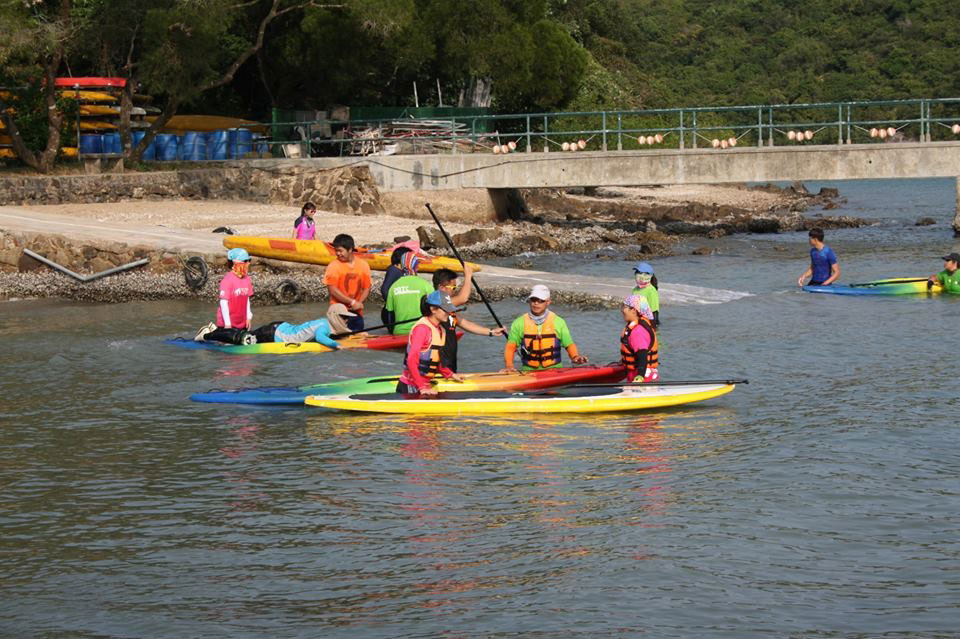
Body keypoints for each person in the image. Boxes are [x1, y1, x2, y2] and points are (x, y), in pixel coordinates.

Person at [433, 266, 506, 371]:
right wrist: (468, 276)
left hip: (450, 362)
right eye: (453, 287)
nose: (454, 291)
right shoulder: (437, 304)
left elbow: (465, 324)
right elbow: (463, 298)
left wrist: (491, 331)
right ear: (441, 288)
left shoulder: (447, 310)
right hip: (439, 363)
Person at [502, 284, 588, 372]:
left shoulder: (558, 322)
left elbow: (569, 344)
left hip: (555, 371)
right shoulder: (519, 323)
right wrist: (509, 366)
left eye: (541, 300)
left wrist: (575, 357)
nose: (536, 303)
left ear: (548, 302)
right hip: (528, 372)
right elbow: (510, 347)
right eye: (533, 300)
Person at [397, 291, 465, 396]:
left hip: (425, 385)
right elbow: (411, 360)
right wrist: (422, 387)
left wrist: (450, 374)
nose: (449, 313)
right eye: (445, 310)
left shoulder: (441, 330)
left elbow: (436, 360)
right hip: (411, 386)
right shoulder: (422, 329)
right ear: (433, 309)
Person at [194, 248, 255, 344]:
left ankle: (213, 329)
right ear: (235, 263)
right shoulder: (227, 280)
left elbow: (247, 299)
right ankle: (205, 335)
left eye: (249, 261)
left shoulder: (247, 279)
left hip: (241, 322)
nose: (248, 263)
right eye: (245, 261)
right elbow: (223, 303)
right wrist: (227, 325)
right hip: (227, 323)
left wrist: (248, 317)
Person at [246, 304, 358, 347]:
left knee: (247, 336)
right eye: (344, 317)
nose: (346, 320)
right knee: (244, 339)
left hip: (280, 327)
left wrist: (359, 333)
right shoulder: (324, 326)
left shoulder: (326, 323)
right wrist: (336, 345)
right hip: (274, 334)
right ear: (335, 316)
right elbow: (320, 337)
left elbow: (341, 331)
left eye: (347, 317)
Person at [323, 233, 371, 332]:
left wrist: (359, 303)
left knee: (357, 342)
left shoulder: (363, 265)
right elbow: (333, 290)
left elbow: (367, 287)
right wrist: (352, 302)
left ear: (350, 250)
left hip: (356, 312)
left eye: (340, 251)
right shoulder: (333, 266)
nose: (338, 254)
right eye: (336, 251)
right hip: (339, 313)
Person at [384, 252, 434, 335]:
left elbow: (390, 316)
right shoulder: (426, 285)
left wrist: (391, 333)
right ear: (415, 267)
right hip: (420, 333)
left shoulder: (393, 287)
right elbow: (436, 311)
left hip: (399, 332)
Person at [620, 295, 660, 383]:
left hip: (643, 377)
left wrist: (640, 376)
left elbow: (642, 355)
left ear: (634, 310)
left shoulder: (638, 331)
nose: (622, 310)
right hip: (637, 373)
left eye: (624, 307)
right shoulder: (633, 326)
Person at [379, 245, 412, 328]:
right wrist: (395, 306)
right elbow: (384, 290)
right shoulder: (393, 270)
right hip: (392, 314)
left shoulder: (402, 271)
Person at [631, 261, 660, 327]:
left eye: (641, 273)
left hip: (648, 323)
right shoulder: (635, 289)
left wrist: (652, 328)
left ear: (649, 275)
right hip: (637, 322)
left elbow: (654, 312)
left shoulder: (651, 291)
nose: (638, 275)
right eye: (637, 272)